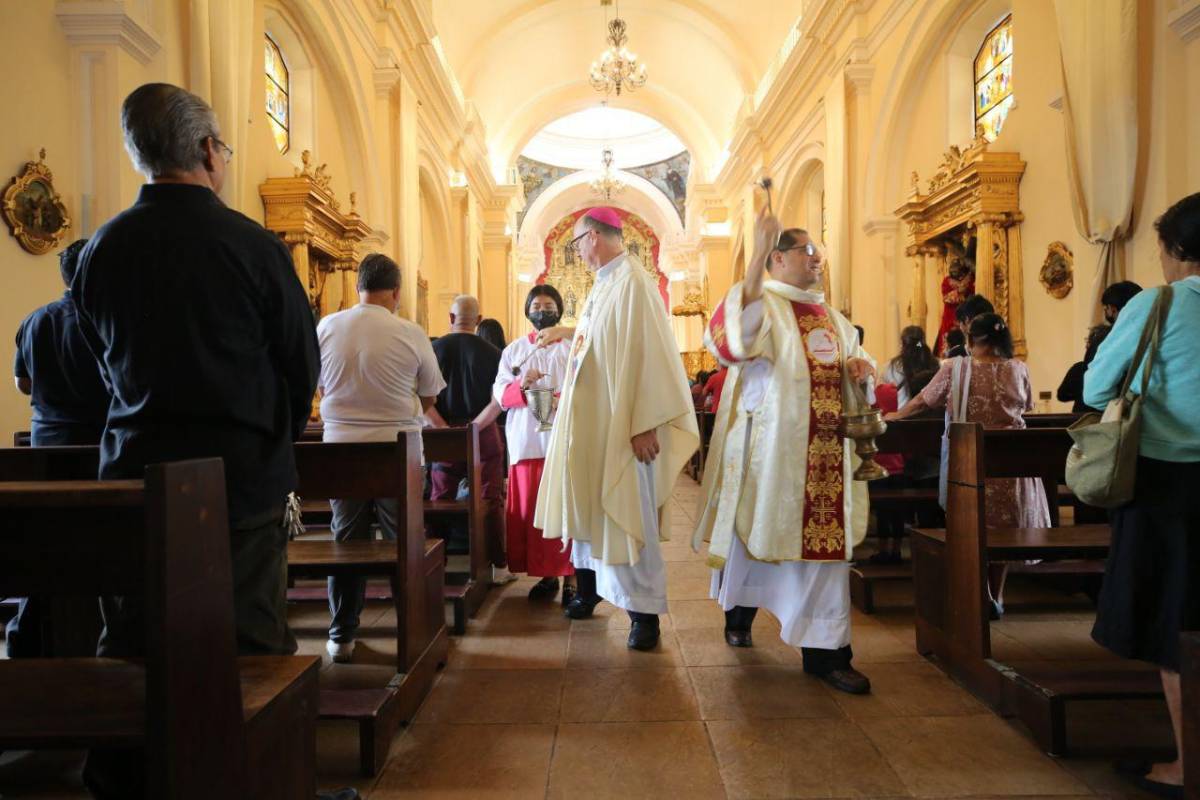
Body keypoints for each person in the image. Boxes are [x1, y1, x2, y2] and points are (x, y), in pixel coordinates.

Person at [70, 82, 333, 799]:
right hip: (239, 480)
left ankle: (125, 782)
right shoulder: (253, 246)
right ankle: (258, 783)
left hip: (133, 477)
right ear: (210, 151)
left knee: (133, 637)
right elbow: (298, 364)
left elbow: (100, 360)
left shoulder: (101, 250)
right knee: (250, 643)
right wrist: (266, 433)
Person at [693, 207, 876, 695]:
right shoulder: (764, 302)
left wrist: (861, 369)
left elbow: (858, 360)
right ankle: (740, 611)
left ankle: (827, 653)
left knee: (824, 554)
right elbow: (732, 343)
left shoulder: (834, 318)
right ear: (777, 258)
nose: (818, 259)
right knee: (755, 538)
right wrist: (753, 254)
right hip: (771, 455)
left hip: (826, 456)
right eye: (807, 251)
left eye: (819, 251)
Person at [534, 207, 698, 651]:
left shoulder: (635, 284)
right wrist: (569, 332)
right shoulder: (605, 285)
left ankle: (644, 615)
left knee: (629, 515)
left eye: (577, 243)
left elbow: (647, 355)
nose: (578, 253)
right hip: (594, 426)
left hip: (624, 428)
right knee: (594, 513)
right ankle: (590, 592)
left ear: (595, 237)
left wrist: (643, 422)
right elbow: (602, 347)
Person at [1084, 192, 1200, 797]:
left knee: (1177, 621)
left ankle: (1188, 763)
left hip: (1169, 483)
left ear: (1177, 250)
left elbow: (1099, 383)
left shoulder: (1159, 305)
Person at [316, 253, 446, 663]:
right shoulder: (409, 331)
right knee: (401, 540)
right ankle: (411, 628)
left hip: (341, 451)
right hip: (398, 452)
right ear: (396, 291)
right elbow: (429, 396)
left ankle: (342, 636)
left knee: (345, 541)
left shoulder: (326, 326)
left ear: (358, 287)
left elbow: (318, 385)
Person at [886, 313, 1049, 618]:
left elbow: (923, 401)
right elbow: (1026, 407)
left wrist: (896, 416)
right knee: (1004, 534)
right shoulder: (1018, 368)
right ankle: (996, 595)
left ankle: (980, 595)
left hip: (972, 461)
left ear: (971, 339)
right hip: (1012, 464)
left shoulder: (956, 369)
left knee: (972, 530)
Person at [8, 238, 109, 658]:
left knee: (48, 542)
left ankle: (27, 636)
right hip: (100, 444)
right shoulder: (105, 319)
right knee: (102, 543)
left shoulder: (36, 319)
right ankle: (96, 632)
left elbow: (23, 383)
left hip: (47, 445)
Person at [473, 284, 574, 603]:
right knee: (534, 512)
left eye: (548, 305)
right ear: (527, 311)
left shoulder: (572, 346)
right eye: (536, 306)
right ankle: (547, 576)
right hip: (528, 442)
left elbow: (588, 383)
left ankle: (572, 578)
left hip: (564, 438)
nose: (542, 311)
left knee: (565, 510)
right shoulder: (515, 350)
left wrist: (558, 400)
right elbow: (501, 395)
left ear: (558, 309)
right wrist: (523, 384)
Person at [430, 295, 511, 583]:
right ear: (478, 321)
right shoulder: (493, 353)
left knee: (440, 498)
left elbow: (421, 399)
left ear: (451, 318)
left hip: (443, 434)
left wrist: (443, 429)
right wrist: (475, 427)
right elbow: (498, 400)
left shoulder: (433, 349)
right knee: (491, 499)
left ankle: (437, 564)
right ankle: (498, 566)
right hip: (484, 430)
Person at [1055, 325, 1110, 414]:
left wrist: (1079, 394)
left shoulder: (1078, 368)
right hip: (1107, 417)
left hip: (1081, 418)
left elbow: (1062, 395)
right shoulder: (1114, 368)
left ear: (1090, 345)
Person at [881, 325, 939, 406]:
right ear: (923, 341)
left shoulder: (891, 366)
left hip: (902, 415)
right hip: (930, 415)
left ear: (902, 343)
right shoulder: (935, 363)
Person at [936, 258, 975, 355]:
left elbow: (974, 294)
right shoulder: (946, 281)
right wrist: (960, 291)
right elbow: (946, 298)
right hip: (950, 315)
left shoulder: (971, 279)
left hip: (966, 315)